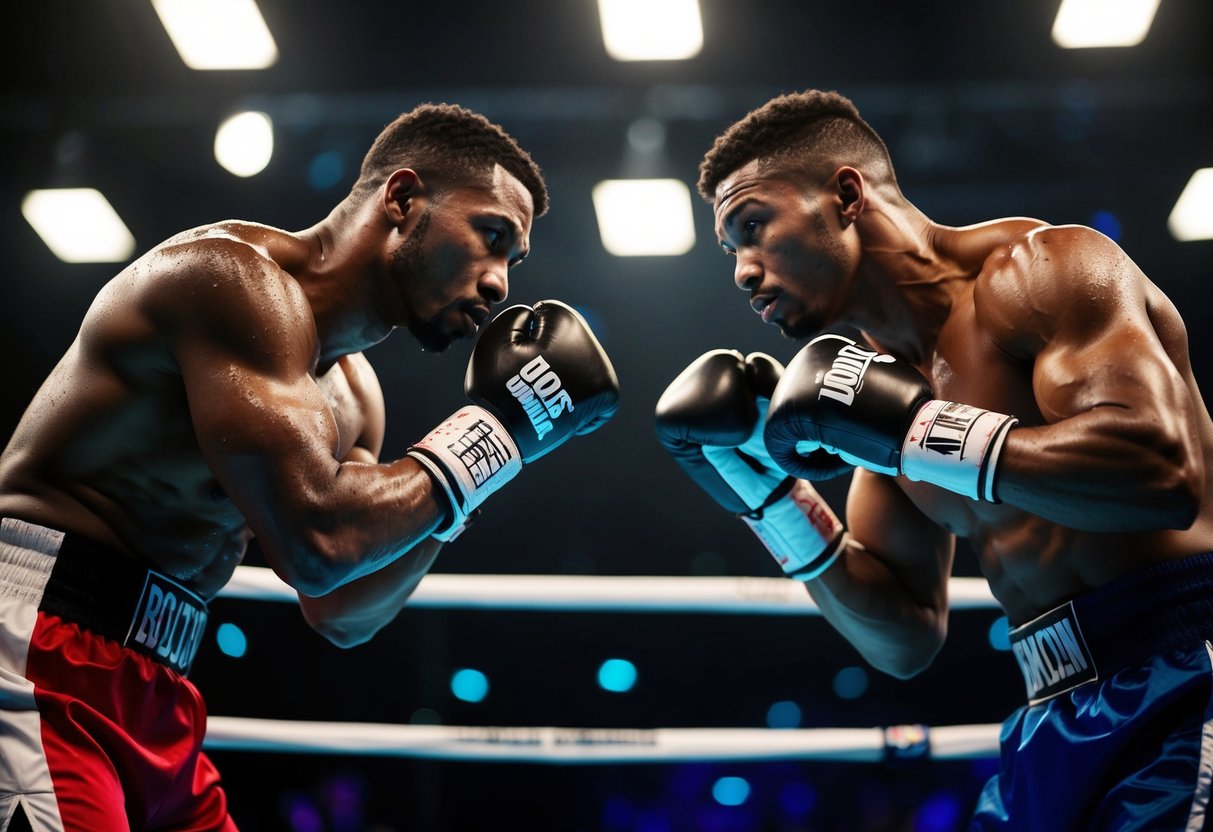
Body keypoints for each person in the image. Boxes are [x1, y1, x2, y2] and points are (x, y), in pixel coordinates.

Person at [0, 102, 619, 831]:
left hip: (159, 680)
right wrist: (489, 436)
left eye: (510, 261)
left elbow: (341, 611)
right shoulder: (228, 280)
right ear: (402, 198)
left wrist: (484, 466)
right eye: (489, 237)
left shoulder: (354, 395)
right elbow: (319, 544)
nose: (498, 284)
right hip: (34, 640)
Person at [657, 88, 1213, 830]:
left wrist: (919, 430)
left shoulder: (1043, 270)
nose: (742, 270)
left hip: (1185, 670)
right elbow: (905, 634)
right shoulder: (871, 390)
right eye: (731, 250)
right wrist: (770, 499)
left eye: (753, 227)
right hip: (1049, 710)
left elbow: (1159, 476)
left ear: (845, 196)